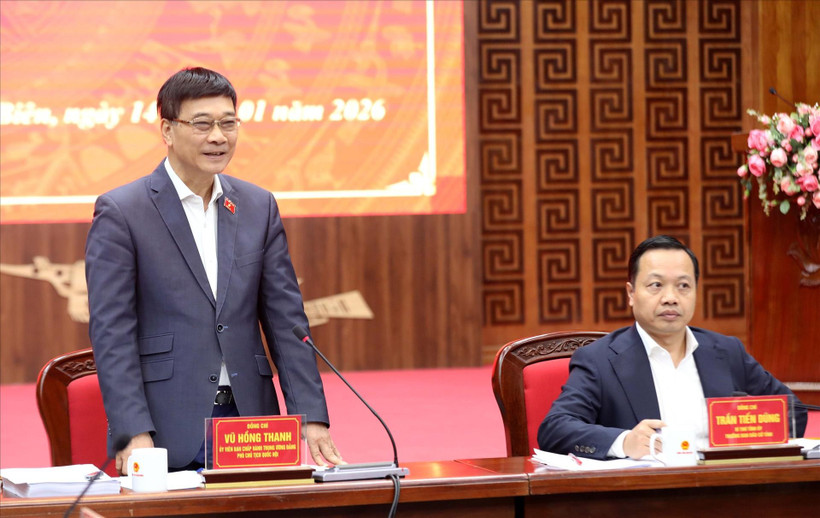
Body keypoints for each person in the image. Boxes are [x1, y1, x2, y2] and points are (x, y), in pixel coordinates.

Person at [86, 67, 343, 474]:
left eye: (228, 123)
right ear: (168, 130)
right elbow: (112, 332)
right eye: (202, 124)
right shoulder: (123, 211)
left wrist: (311, 415)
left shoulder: (259, 207)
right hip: (167, 428)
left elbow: (286, 321)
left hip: (253, 427)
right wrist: (132, 430)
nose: (218, 136)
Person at [537, 235, 807, 460]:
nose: (670, 298)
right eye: (656, 285)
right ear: (631, 293)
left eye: (683, 286)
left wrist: (750, 431)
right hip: (648, 498)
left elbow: (792, 411)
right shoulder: (600, 360)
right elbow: (555, 429)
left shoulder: (726, 351)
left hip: (728, 491)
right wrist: (624, 442)